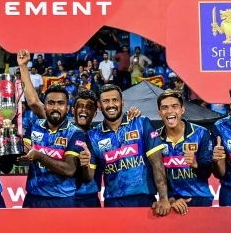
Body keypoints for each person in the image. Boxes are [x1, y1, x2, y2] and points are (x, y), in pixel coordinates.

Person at [85, 84, 173, 213]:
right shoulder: (92, 136)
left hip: (144, 199)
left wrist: (164, 198)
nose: (111, 105)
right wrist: (83, 164)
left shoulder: (141, 123)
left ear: (122, 102)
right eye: (105, 101)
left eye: (115, 100)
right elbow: (89, 176)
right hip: (113, 202)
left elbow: (157, 164)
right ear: (99, 105)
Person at [17, 50, 88, 207]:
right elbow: (24, 153)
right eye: (51, 103)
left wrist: (39, 156)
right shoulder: (35, 126)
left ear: (68, 107)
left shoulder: (75, 133)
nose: (55, 108)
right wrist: (15, 148)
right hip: (33, 199)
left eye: (60, 103)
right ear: (46, 105)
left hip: (62, 201)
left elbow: (70, 169)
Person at [157, 89, 213, 207]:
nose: (170, 111)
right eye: (165, 107)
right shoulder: (155, 138)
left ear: (182, 110)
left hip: (199, 197)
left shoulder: (201, 134)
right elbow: (155, 174)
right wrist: (170, 198)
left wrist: (195, 164)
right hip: (172, 201)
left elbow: (207, 172)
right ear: (159, 112)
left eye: (174, 106)